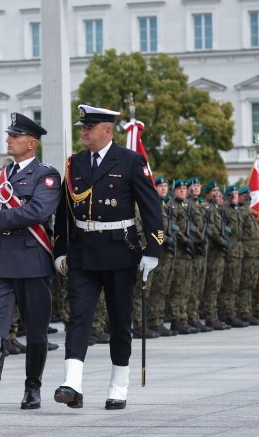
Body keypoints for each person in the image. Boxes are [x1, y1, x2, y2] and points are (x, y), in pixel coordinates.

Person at [53, 105, 163, 411]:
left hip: (120, 251)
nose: (85, 132)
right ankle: (72, 383)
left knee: (119, 321)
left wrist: (154, 249)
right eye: (83, 127)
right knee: (79, 316)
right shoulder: (74, 163)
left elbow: (152, 207)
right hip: (82, 251)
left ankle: (119, 385)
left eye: (91, 127)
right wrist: (60, 249)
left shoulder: (130, 160)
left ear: (108, 131)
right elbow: (65, 210)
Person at [0, 113, 61, 409]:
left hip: (32, 261)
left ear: (31, 143)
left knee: (35, 331)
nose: (8, 139)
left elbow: (38, 212)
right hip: (0, 260)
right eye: (9, 135)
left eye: (15, 136)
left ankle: (32, 388)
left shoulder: (46, 175)